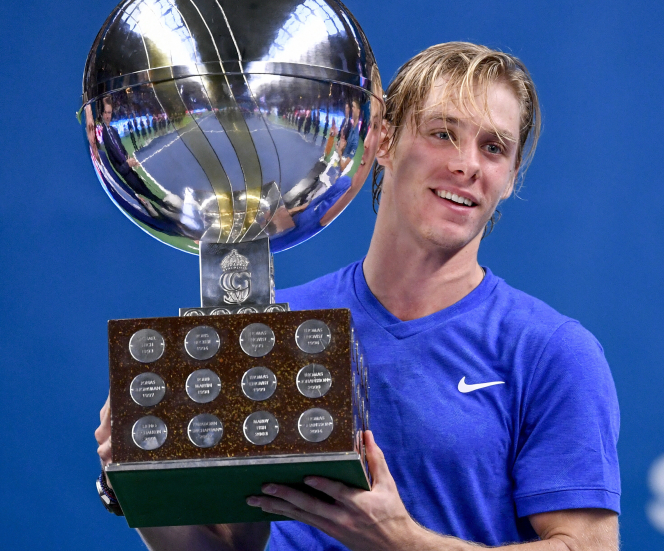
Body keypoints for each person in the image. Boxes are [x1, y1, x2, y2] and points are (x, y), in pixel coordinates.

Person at [95, 42, 620, 551]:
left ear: (509, 178)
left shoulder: (551, 351)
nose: (468, 165)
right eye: (442, 133)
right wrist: (140, 483)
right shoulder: (274, 326)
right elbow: (231, 547)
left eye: (494, 147)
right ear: (383, 143)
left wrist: (403, 544)